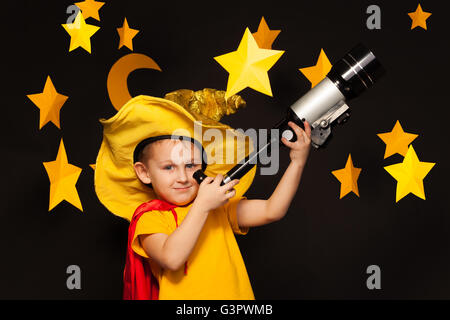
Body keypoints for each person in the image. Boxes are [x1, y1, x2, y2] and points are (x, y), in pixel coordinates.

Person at [94, 89, 311, 300]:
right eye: (168, 167)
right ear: (144, 173)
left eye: (191, 165)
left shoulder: (220, 207)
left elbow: (271, 210)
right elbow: (172, 258)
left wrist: (297, 162)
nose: (182, 177)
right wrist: (203, 206)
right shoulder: (150, 218)